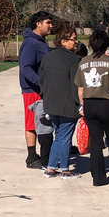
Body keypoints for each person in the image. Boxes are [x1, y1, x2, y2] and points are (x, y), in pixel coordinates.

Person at [75, 30, 109, 187]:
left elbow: (80, 88)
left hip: (90, 105)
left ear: (91, 44)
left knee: (96, 143)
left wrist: (82, 105)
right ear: (107, 43)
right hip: (108, 105)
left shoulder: (83, 62)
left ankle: (98, 178)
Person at [39, 26, 82, 179]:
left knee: (59, 136)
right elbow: (76, 86)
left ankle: (50, 168)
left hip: (50, 104)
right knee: (64, 137)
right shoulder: (73, 60)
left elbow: (41, 81)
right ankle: (65, 170)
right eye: (73, 39)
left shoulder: (47, 57)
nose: (76, 42)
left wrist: (45, 96)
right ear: (64, 41)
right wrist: (80, 105)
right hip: (67, 106)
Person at [19, 11, 53, 169]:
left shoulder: (41, 41)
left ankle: (44, 153)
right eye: (48, 22)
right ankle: (31, 156)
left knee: (42, 121)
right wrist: (39, 83)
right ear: (38, 24)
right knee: (32, 123)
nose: (51, 26)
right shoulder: (31, 43)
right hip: (32, 89)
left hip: (41, 89)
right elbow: (25, 67)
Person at [27, 99, 53, 170]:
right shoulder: (41, 104)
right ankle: (44, 164)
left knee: (49, 147)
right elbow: (40, 115)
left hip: (47, 131)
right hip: (43, 132)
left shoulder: (42, 104)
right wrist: (49, 119)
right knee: (45, 148)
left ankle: (48, 162)